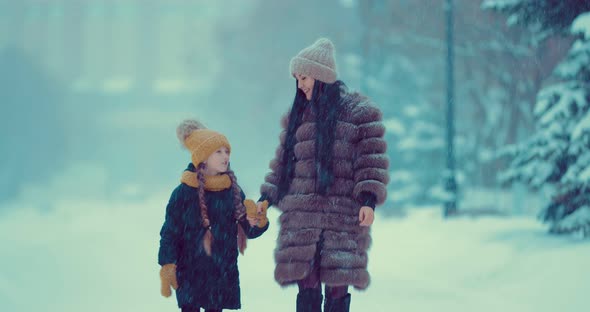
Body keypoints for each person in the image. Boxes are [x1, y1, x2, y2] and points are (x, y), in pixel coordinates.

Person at [258, 38, 389, 312]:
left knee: (337, 290)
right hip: (302, 218)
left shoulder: (358, 114)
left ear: (320, 76)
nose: (300, 84)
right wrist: (266, 198)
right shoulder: (298, 116)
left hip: (341, 217)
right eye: (297, 78)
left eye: (303, 77)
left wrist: (368, 200)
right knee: (307, 290)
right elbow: (283, 165)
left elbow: (371, 159)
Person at [158, 119, 269, 312]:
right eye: (219, 151)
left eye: (227, 151)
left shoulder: (232, 190)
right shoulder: (183, 193)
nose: (225, 156)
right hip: (189, 272)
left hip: (220, 273)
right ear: (203, 156)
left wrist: (258, 221)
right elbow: (170, 233)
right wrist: (167, 264)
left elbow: (248, 230)